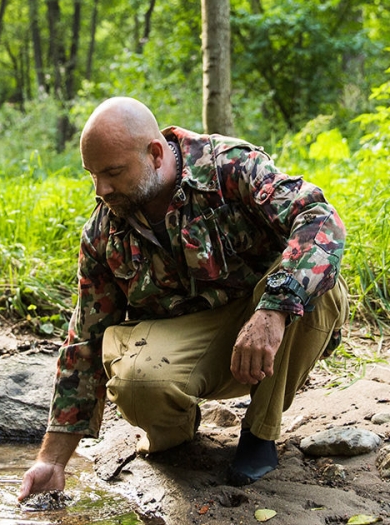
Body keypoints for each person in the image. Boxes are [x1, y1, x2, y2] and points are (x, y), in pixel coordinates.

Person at [19, 97, 348, 498]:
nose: (101, 189)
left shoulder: (231, 166)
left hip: (267, 325)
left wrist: (273, 310)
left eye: (113, 173)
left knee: (317, 290)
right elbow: (84, 342)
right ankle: (175, 432)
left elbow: (319, 219)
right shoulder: (103, 232)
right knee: (137, 379)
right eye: (92, 176)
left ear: (155, 154)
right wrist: (52, 461)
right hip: (189, 343)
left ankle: (260, 432)